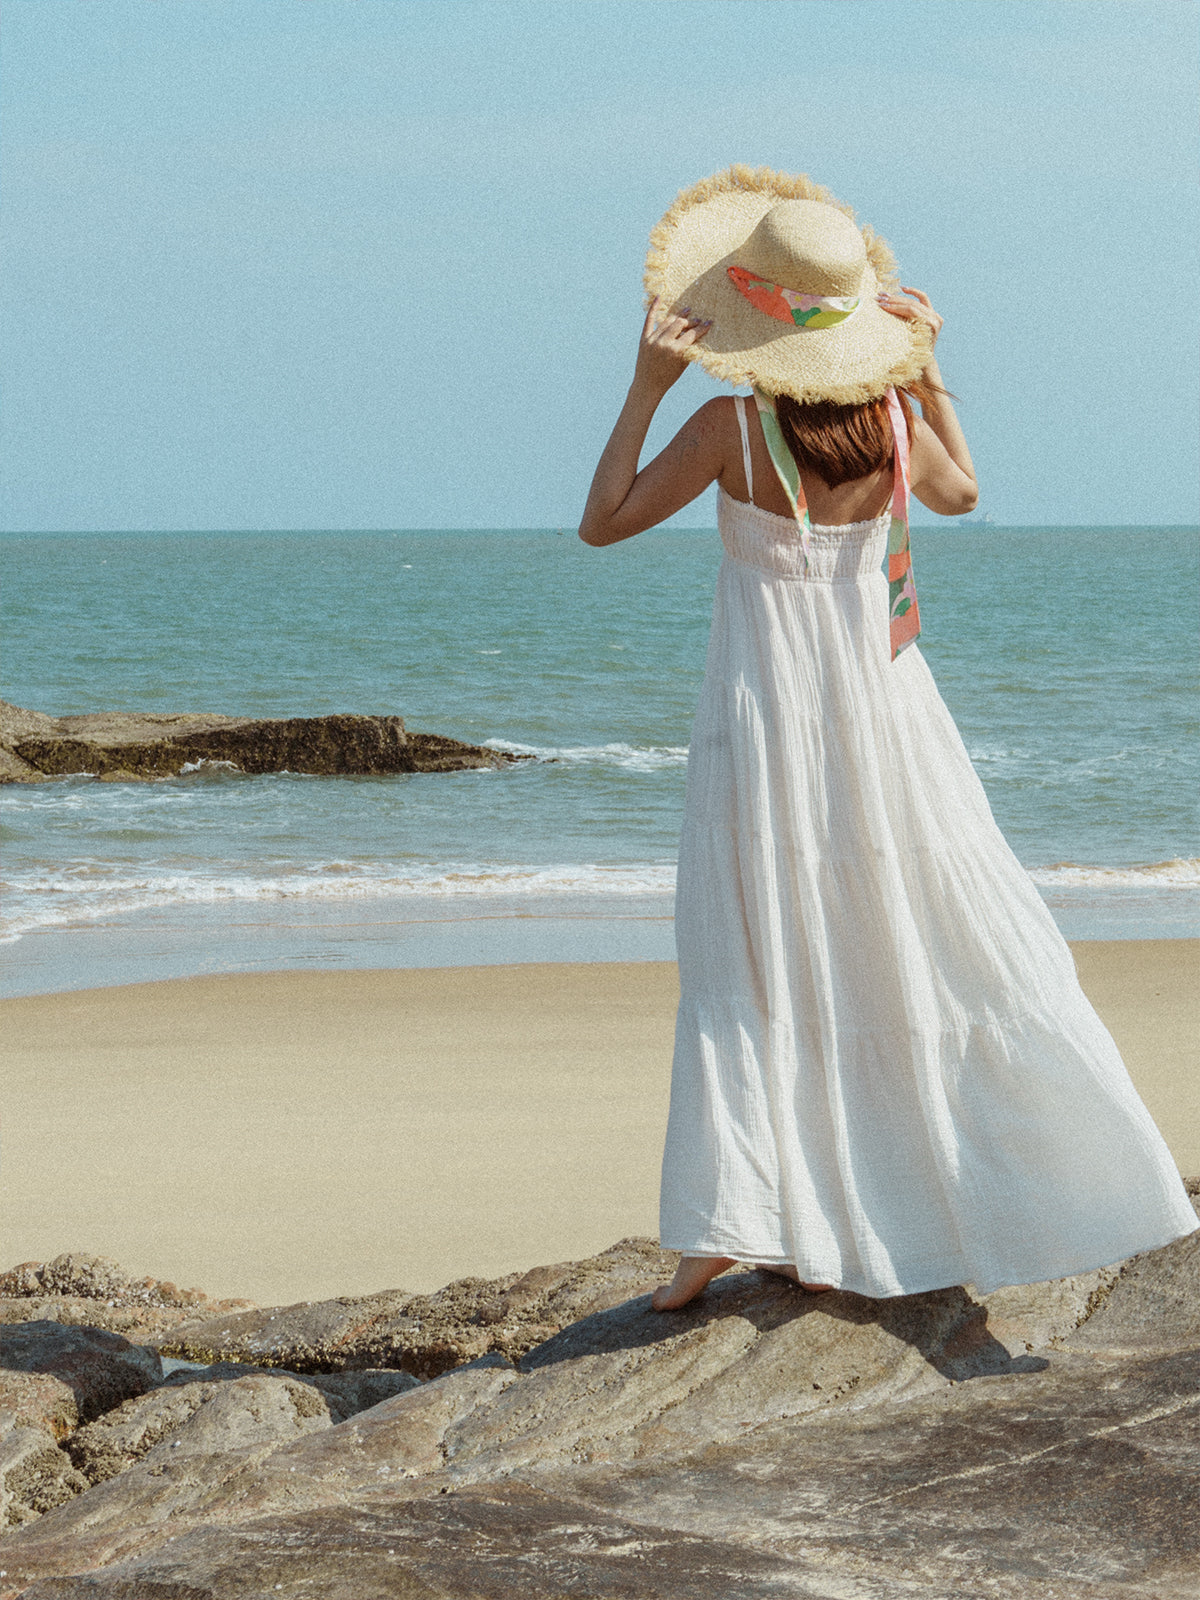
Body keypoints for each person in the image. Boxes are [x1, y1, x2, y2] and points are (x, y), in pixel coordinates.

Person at [578, 166, 1197, 1313]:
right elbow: (963, 496)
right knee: (910, 933)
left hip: (769, 716)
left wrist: (644, 382)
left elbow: (601, 522)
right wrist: (930, 369)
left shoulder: (728, 427)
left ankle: (739, 1216)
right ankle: (907, 1193)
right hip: (891, 713)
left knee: (757, 947)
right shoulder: (895, 422)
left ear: (746, 321)